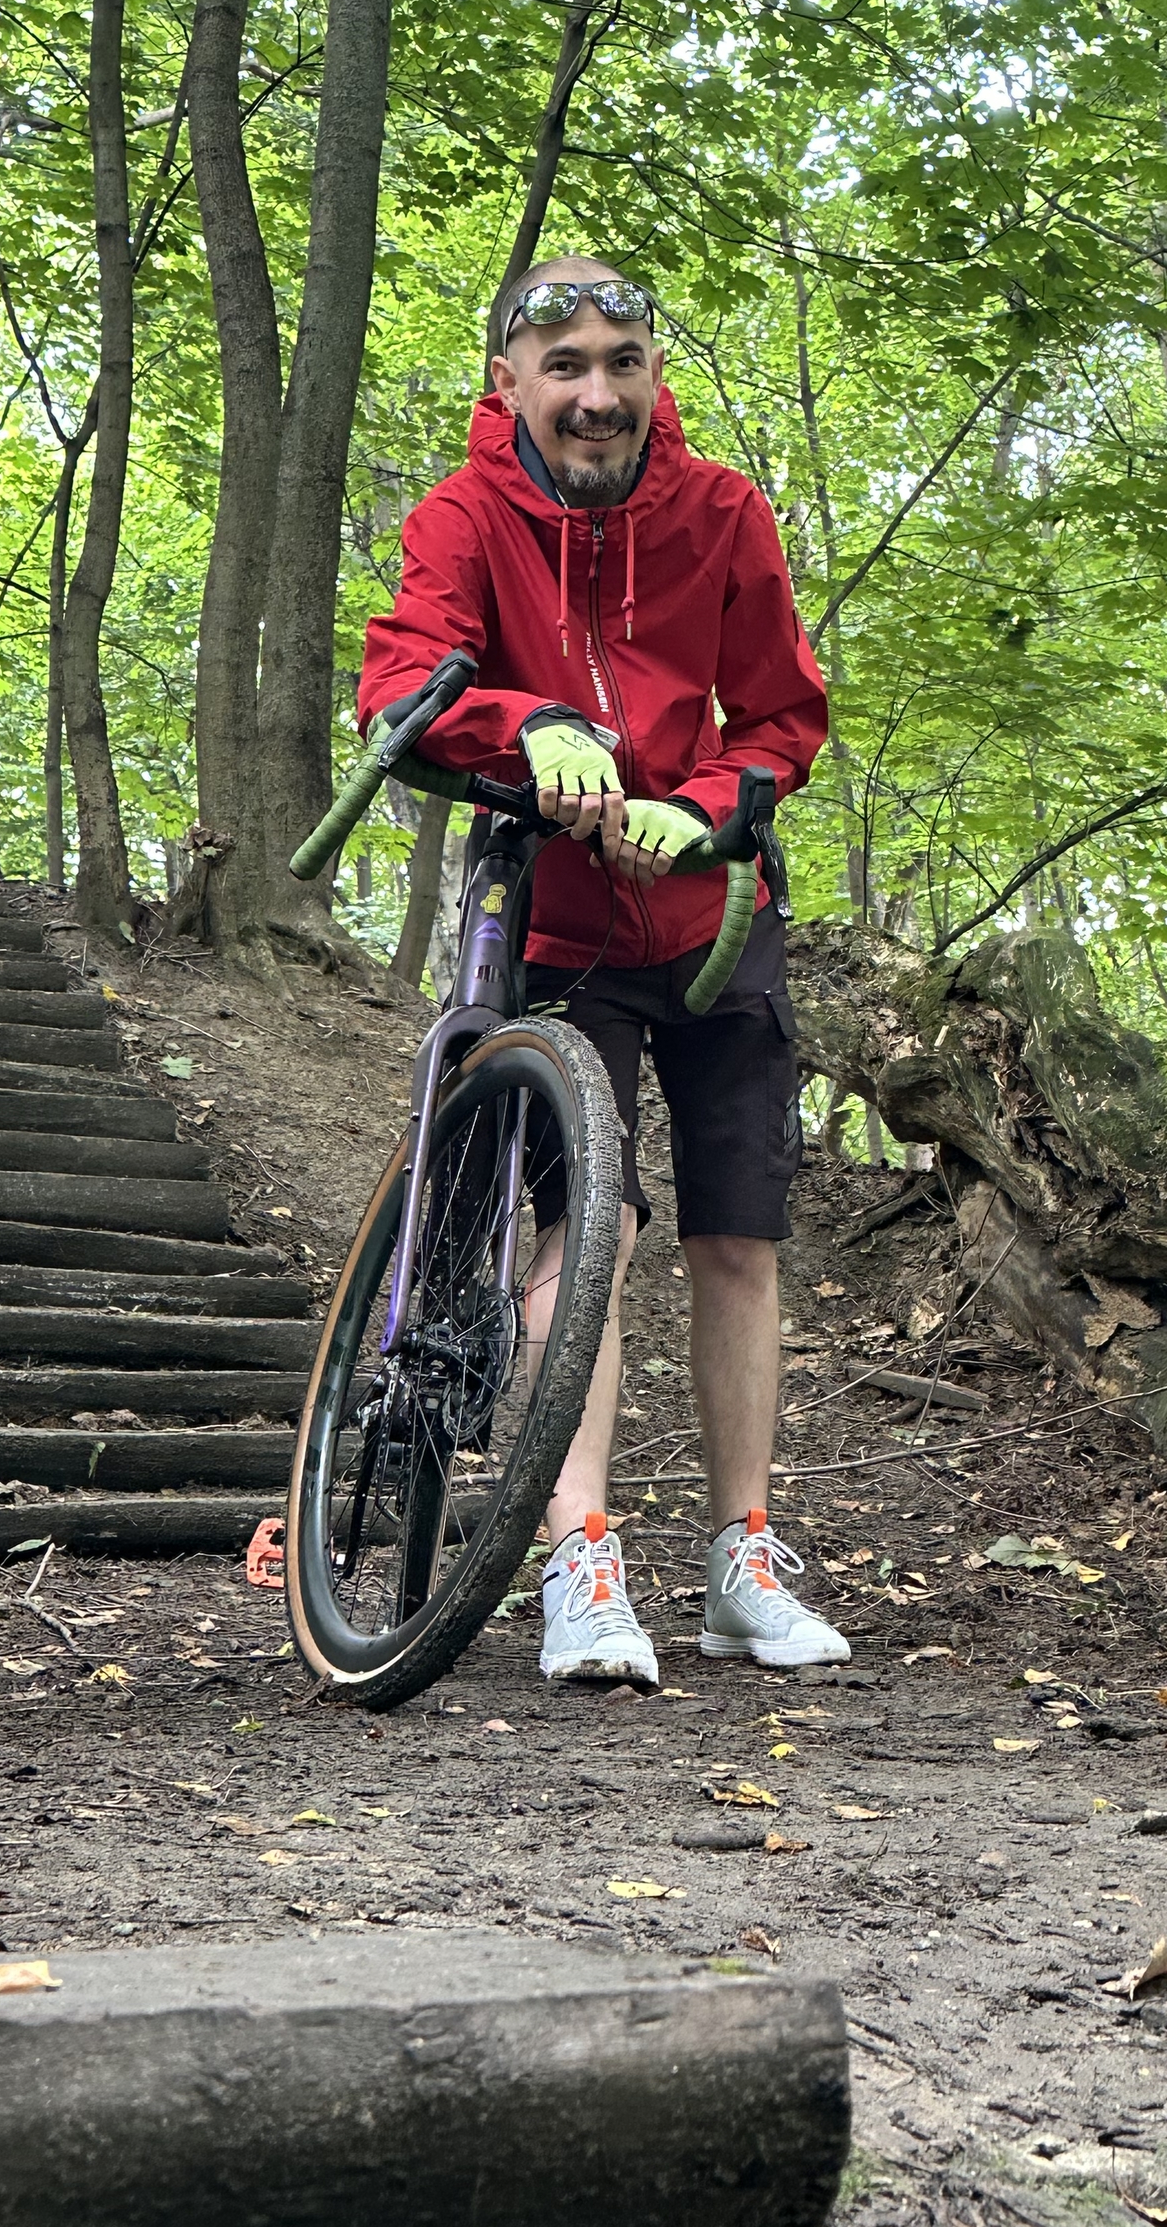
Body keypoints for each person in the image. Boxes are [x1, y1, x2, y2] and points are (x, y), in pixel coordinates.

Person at [357, 254, 851, 1683]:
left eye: (620, 364)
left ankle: (742, 1560)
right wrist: (528, 725)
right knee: (590, 1242)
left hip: (711, 928)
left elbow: (779, 717)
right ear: (510, 382)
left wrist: (705, 811)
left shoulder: (721, 513)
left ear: (652, 376)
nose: (594, 395)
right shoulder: (464, 516)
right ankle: (583, 1560)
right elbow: (403, 682)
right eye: (563, 367)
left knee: (739, 1240)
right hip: (560, 925)